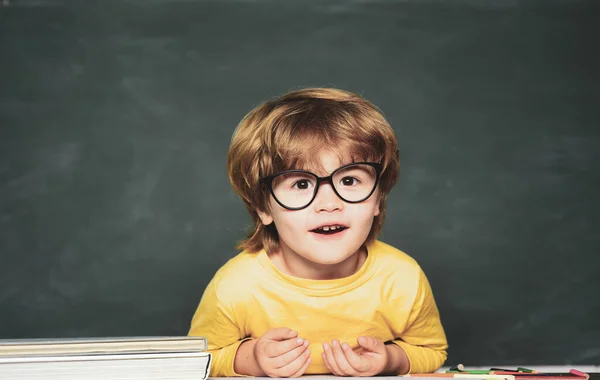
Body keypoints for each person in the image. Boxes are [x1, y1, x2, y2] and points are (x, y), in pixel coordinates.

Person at [188, 88, 448, 377]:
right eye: (301, 184)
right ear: (264, 207)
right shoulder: (235, 287)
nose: (328, 204)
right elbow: (202, 359)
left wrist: (389, 360)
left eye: (349, 179)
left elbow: (431, 351)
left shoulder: (402, 278)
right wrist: (251, 359)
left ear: (378, 198)